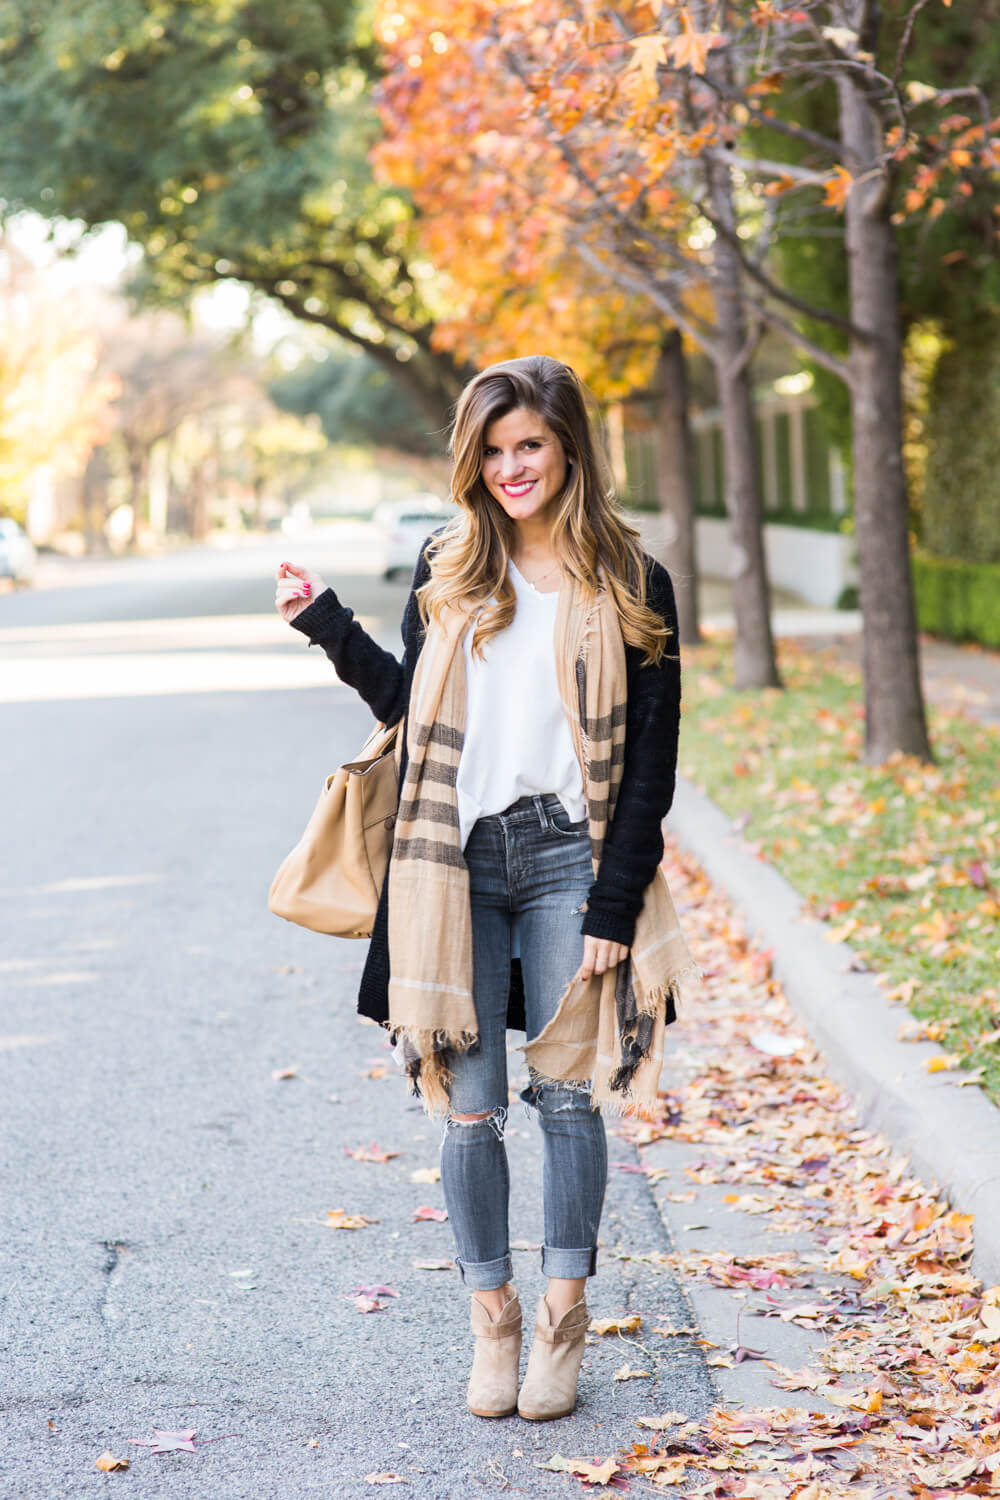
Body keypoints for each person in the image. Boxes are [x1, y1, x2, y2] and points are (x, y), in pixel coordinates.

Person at [274, 354, 697, 1423]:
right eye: (495, 449)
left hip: (568, 855)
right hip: (454, 865)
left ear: (567, 451)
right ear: (475, 459)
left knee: (565, 1095)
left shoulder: (634, 582)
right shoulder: (450, 566)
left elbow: (650, 762)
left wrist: (614, 908)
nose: (513, 467)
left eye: (531, 447)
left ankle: (562, 1319)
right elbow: (413, 721)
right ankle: (493, 1321)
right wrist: (328, 625)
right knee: (468, 1113)